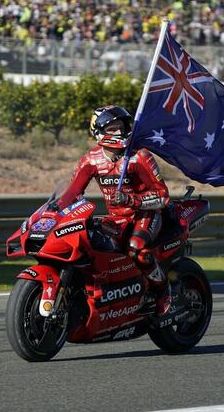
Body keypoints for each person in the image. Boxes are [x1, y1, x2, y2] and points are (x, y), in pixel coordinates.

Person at [56, 105, 171, 315]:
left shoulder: (140, 156)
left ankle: (163, 290)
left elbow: (163, 197)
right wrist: (55, 210)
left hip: (147, 214)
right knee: (90, 242)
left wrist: (131, 200)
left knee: (136, 248)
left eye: (122, 127)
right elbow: (72, 193)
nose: (120, 132)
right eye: (113, 129)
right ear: (99, 132)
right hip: (117, 218)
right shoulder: (91, 160)